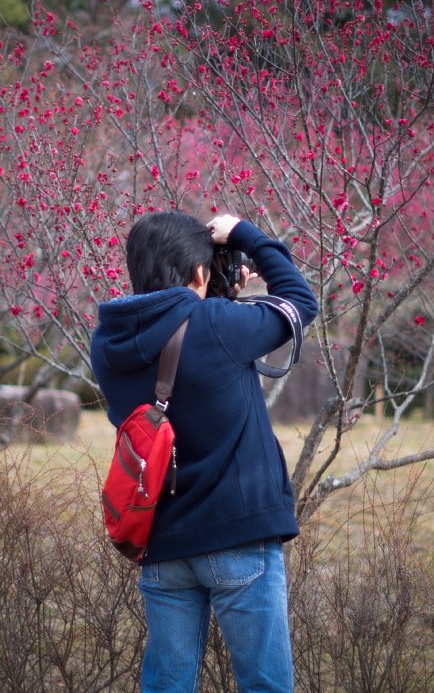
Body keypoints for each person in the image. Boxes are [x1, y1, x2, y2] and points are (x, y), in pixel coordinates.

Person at [90, 211, 318, 693]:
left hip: (163, 543)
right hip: (237, 535)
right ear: (199, 272)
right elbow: (300, 301)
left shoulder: (107, 342)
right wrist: (242, 234)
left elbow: (177, 341)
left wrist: (214, 292)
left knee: (167, 686)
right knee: (265, 685)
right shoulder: (218, 323)